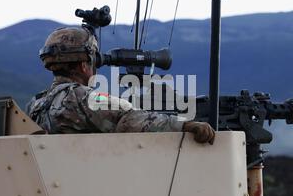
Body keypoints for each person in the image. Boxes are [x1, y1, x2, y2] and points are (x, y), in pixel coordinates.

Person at [26, 27, 215, 144]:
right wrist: (185, 125)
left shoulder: (37, 102)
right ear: (84, 66)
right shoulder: (82, 98)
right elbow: (129, 118)